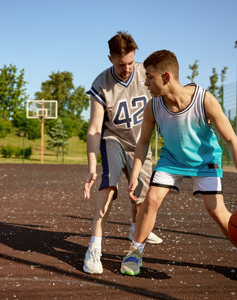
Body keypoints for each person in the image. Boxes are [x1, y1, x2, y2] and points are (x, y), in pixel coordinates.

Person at [120, 49, 237, 282]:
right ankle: (135, 252)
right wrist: (135, 173)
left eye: (149, 76)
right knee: (151, 200)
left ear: (166, 77)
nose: (145, 82)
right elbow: (143, 142)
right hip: (172, 160)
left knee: (216, 210)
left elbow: (231, 140)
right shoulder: (153, 106)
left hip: (205, 161)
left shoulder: (204, 99)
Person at [83, 32, 163, 275]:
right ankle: (94, 248)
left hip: (141, 144)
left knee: (141, 197)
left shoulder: (146, 74)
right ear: (110, 58)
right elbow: (96, 127)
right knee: (109, 184)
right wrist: (91, 165)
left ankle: (134, 227)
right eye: (121, 64)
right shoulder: (101, 83)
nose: (127, 69)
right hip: (114, 138)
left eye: (131, 62)